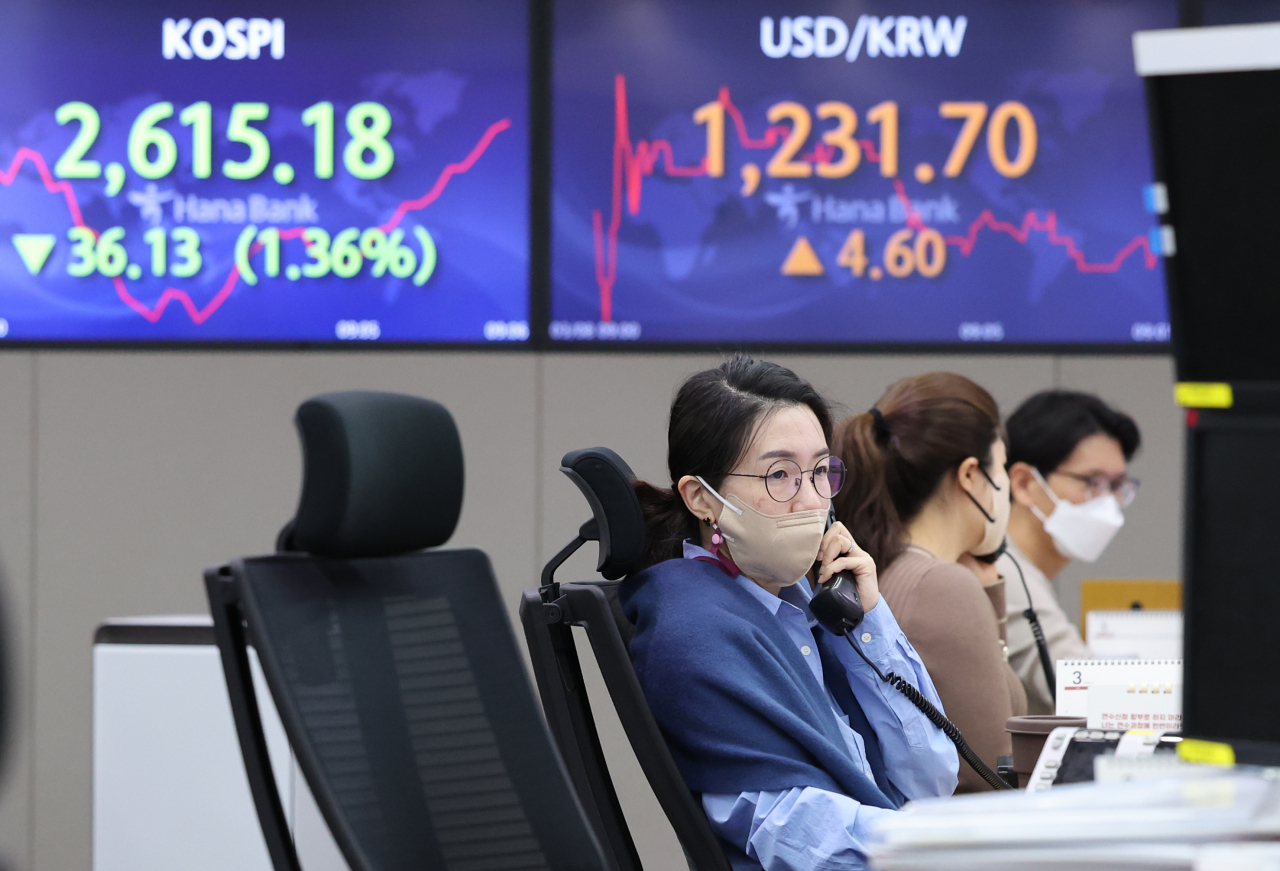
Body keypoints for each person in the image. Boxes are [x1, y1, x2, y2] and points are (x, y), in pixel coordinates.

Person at [619, 355, 958, 871]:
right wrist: (958, 850)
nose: (811, 501)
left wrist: (869, 622)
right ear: (701, 498)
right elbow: (798, 833)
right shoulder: (693, 631)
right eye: (780, 475)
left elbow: (929, 776)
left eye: (821, 472)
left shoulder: (803, 603)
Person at [832, 372, 1026, 794]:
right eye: (1004, 466)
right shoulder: (942, 587)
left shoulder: (889, 567)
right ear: (972, 476)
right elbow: (996, 776)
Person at [998, 390, 1142, 714]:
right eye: (1092, 482)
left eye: (1117, 485)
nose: (1108, 502)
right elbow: (1089, 691)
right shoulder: (1004, 574)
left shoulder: (1020, 570)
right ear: (1023, 483)